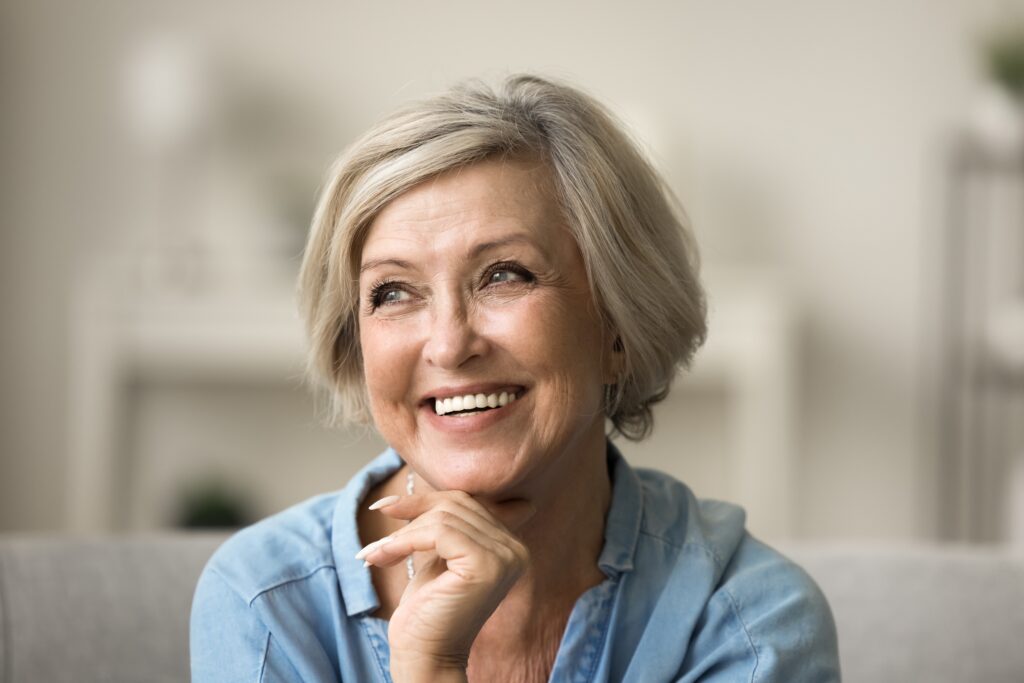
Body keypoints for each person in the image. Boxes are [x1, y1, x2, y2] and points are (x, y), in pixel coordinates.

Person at [190, 74, 840, 682]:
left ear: (617, 325)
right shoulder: (265, 603)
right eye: (392, 292)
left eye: (506, 274)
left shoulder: (747, 621)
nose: (448, 343)